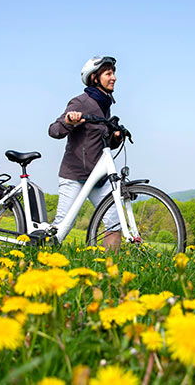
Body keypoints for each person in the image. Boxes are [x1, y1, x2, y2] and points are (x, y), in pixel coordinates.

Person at [48, 55, 122, 250]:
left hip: (98, 178)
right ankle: (40, 256)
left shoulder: (105, 106)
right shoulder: (81, 102)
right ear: (95, 78)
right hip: (75, 176)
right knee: (62, 227)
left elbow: (101, 142)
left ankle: (110, 271)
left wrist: (115, 137)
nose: (113, 77)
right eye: (108, 73)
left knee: (115, 222)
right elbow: (54, 130)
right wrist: (69, 122)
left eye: (114, 73)